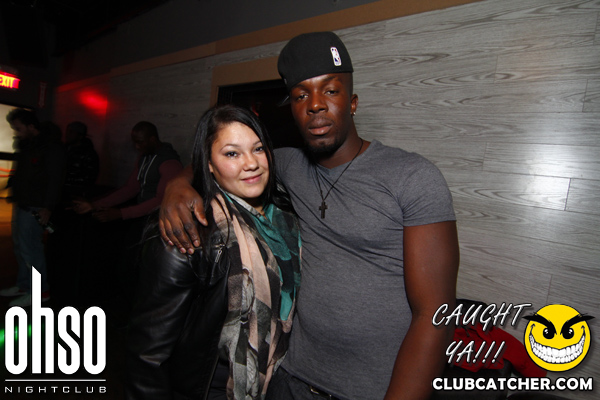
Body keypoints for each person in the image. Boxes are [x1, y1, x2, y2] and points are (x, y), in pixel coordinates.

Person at [160, 32, 459, 400]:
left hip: (371, 390)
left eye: (330, 91)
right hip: (288, 378)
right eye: (301, 96)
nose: (316, 105)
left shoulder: (412, 177)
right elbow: (223, 158)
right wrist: (177, 184)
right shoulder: (284, 164)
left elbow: (435, 314)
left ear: (353, 102)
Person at [126, 104, 301, 400]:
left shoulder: (286, 218)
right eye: (232, 154)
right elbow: (148, 355)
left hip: (276, 379)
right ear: (208, 163)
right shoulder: (187, 232)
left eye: (258, 149)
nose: (251, 163)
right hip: (215, 388)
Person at [0, 109, 65, 307]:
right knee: (22, 247)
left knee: (31, 250)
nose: (16, 133)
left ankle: (39, 292)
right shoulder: (29, 145)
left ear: (31, 126)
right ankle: (25, 285)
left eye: (18, 129)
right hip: (23, 203)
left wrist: (48, 207)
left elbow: (55, 179)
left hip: (35, 206)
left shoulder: (50, 147)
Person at [72, 121, 181, 222]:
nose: (137, 147)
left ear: (152, 139)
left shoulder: (169, 162)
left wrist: (122, 213)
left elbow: (161, 200)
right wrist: (94, 204)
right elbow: (131, 188)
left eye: (140, 142)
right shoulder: (145, 157)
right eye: (135, 142)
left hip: (159, 219)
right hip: (144, 214)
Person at [63, 121, 99, 198]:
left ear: (80, 136)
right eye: (67, 131)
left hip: (76, 194)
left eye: (71, 132)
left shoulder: (88, 154)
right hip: (62, 192)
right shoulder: (64, 149)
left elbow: (89, 177)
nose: (67, 134)